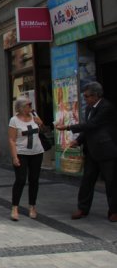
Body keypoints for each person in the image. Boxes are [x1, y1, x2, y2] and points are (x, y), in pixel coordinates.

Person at [56, 81, 117, 222]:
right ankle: (82, 208)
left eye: (87, 96)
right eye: (84, 96)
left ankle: (114, 210)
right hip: (91, 150)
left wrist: (68, 127)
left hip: (106, 150)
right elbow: (88, 129)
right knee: (87, 180)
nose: (85, 99)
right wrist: (78, 140)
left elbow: (93, 124)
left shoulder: (106, 107)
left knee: (111, 181)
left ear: (96, 95)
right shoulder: (89, 108)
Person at [8, 96, 44, 221]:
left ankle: (32, 206)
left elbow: (42, 130)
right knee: (21, 180)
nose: (31, 107)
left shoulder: (34, 116)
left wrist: (40, 123)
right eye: (28, 105)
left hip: (37, 152)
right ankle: (14, 207)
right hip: (21, 153)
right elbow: (12, 140)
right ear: (21, 107)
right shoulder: (14, 120)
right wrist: (14, 156)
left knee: (34, 180)